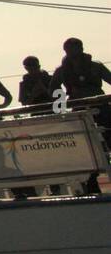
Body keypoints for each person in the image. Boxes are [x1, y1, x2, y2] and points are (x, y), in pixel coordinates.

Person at [49, 37, 111, 193]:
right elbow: (54, 91)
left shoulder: (95, 66)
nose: (73, 52)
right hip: (79, 111)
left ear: (82, 48)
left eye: (75, 48)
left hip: (101, 107)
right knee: (84, 148)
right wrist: (62, 108)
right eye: (69, 49)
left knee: (109, 139)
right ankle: (91, 182)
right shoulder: (62, 71)